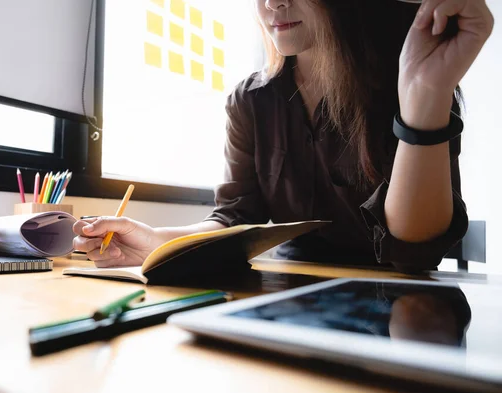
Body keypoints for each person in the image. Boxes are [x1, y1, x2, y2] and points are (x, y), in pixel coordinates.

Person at [74, 0, 494, 273]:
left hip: (401, 306)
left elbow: (416, 252)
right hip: (288, 292)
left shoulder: (408, 81)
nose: (273, 3)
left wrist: (426, 96)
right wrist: (156, 243)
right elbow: (237, 218)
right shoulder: (251, 100)